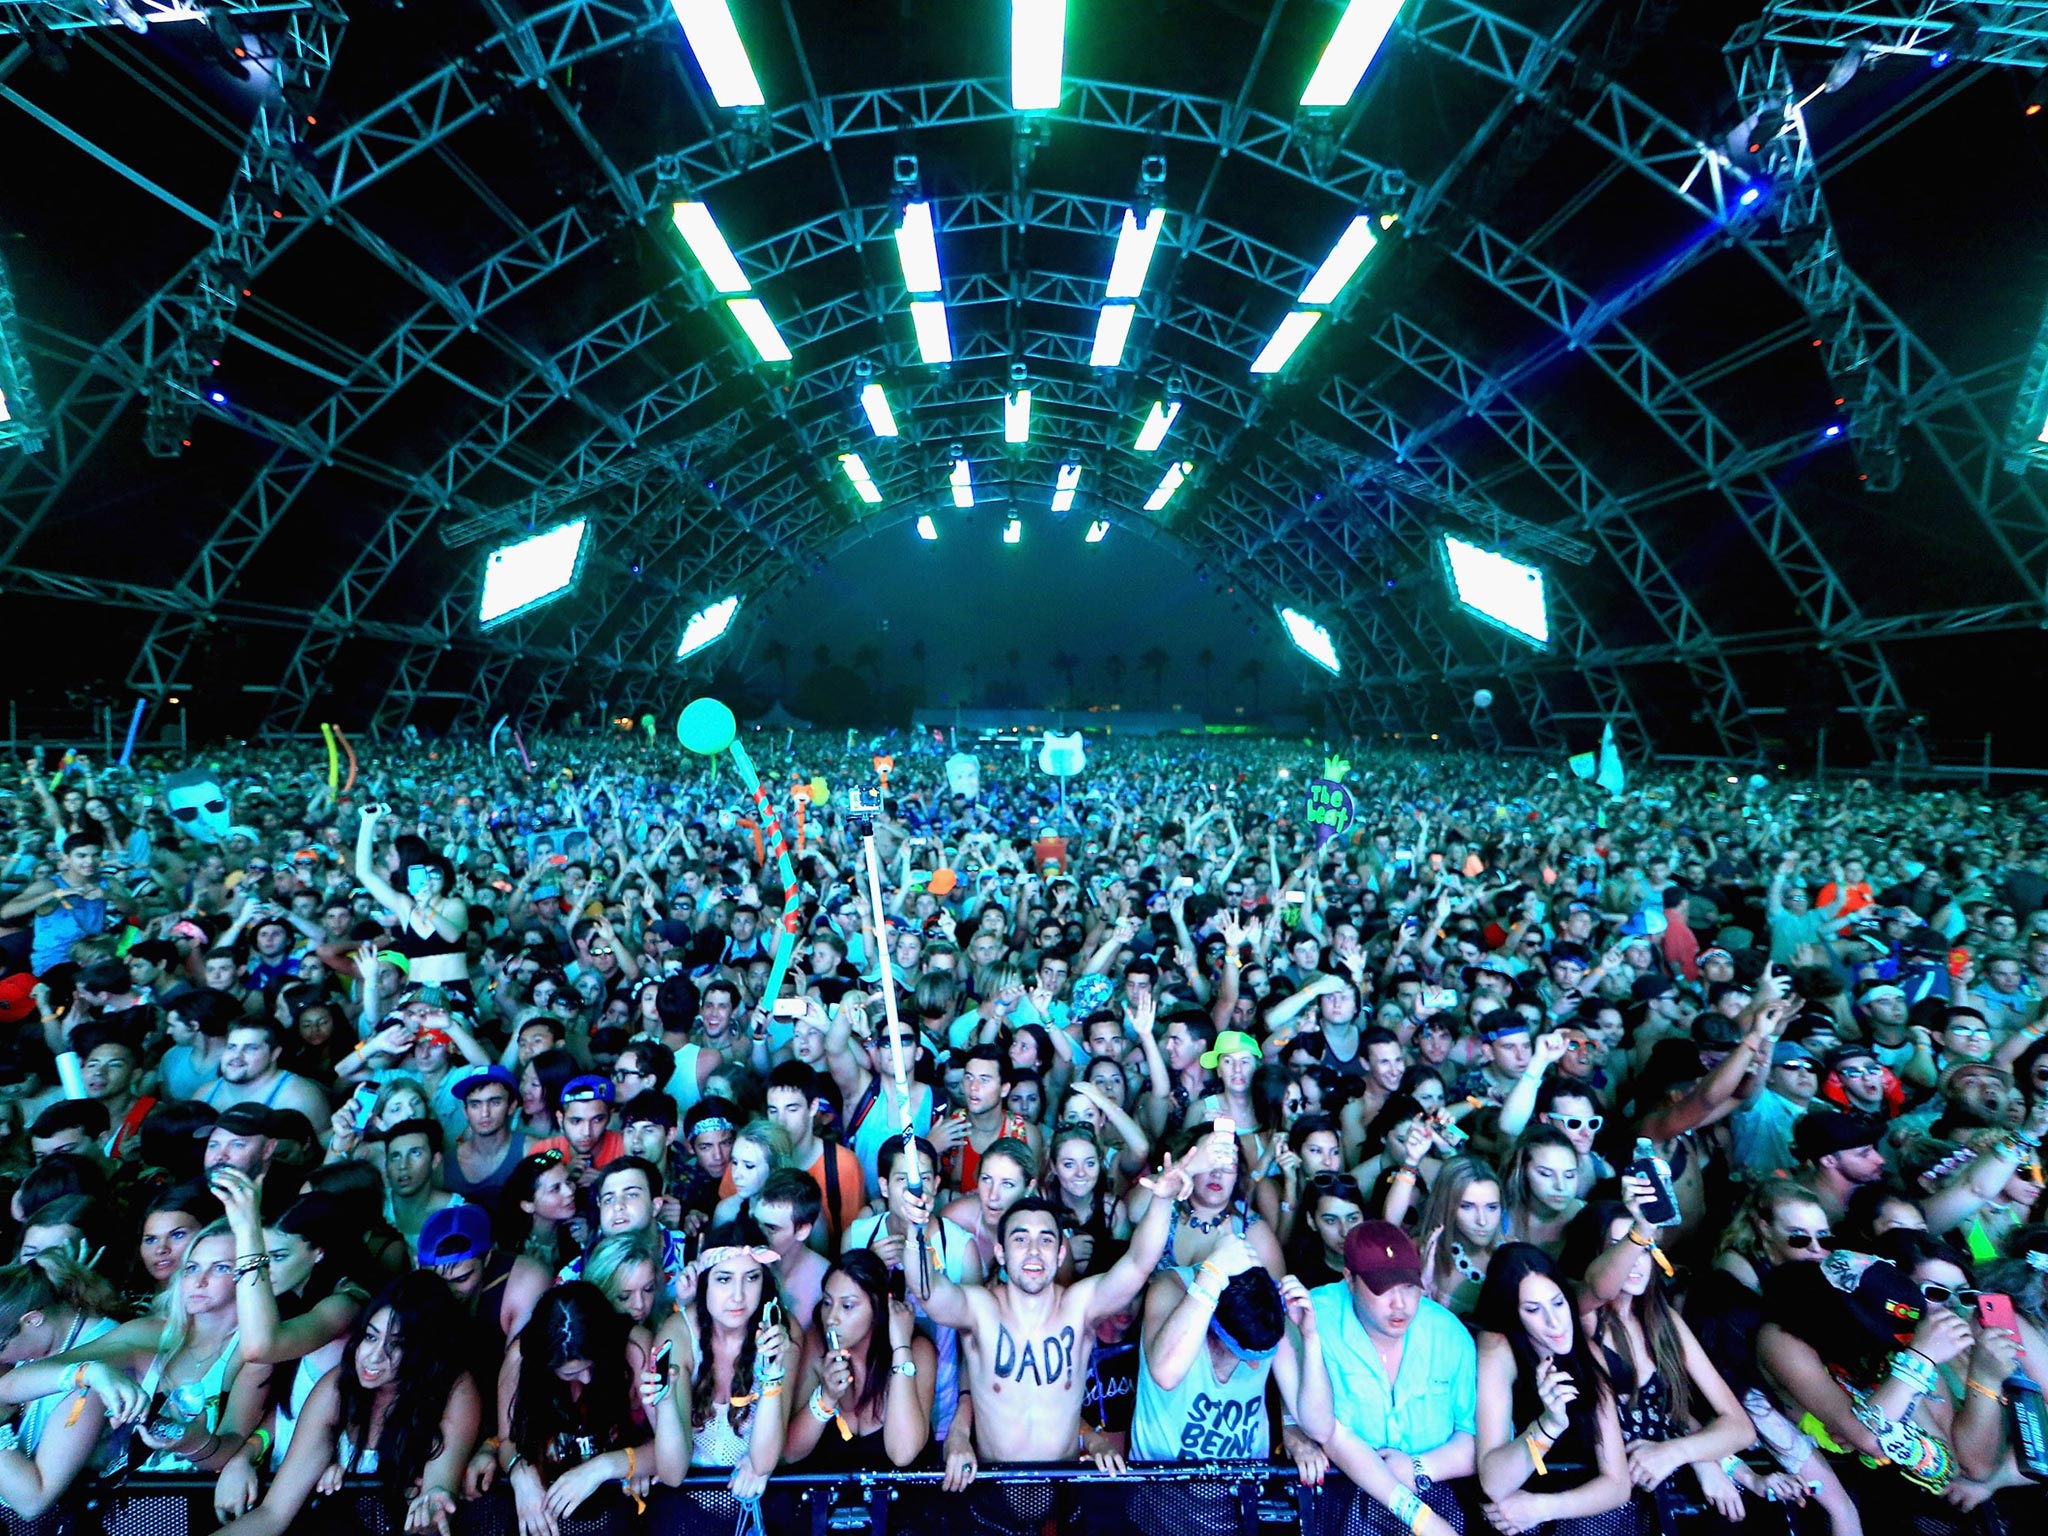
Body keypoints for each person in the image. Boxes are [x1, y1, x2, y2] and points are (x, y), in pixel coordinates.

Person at [905, 1125, 1226, 1532]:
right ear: (1001, 1252)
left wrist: (1162, 1199)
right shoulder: (981, 1308)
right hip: (989, 1493)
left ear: (1060, 1254)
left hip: (1066, 1494)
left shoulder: (1079, 1306)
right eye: (1020, 1240)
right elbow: (929, 1292)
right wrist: (916, 1231)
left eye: (1045, 1241)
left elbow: (1139, 1264)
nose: (1033, 1251)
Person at [207, 1273, 482, 1536]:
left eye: (397, 1345)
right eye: (371, 1337)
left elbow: (437, 1492)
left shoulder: (454, 1389)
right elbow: (273, 1514)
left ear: (426, 1349)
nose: (373, 1357)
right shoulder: (337, 1387)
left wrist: (432, 1510)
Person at [1131, 1233, 1331, 1472]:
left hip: (1242, 1485)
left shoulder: (1268, 1306)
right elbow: (1166, 1373)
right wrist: (1212, 1275)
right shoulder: (1171, 1288)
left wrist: (1310, 1336)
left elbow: (1319, 1426)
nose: (1255, 1368)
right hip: (1162, 1487)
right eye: (1241, 1355)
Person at [494, 1282, 685, 1528]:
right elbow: (507, 1440)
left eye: (591, 1366)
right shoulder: (520, 1359)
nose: (585, 1379)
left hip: (625, 1513)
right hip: (550, 1515)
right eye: (570, 1374)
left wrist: (602, 1468)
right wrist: (521, 1475)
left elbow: (670, 1454)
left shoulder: (635, 1348)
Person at [1474, 1242, 1633, 1536]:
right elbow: (1495, 1483)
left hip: (1578, 1512)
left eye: (1558, 1303)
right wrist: (1548, 1425)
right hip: (1514, 1519)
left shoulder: (1589, 1353)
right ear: (1513, 1314)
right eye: (1534, 1309)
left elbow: (1618, 1484)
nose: (1554, 1321)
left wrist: (1543, 1508)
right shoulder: (1497, 1350)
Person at [0, 1250, 129, 1517]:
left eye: (0, 1347)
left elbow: (33, 1501)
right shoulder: (41, 1345)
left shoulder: (100, 1362)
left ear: (33, 1320)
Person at [782, 1250, 936, 1469]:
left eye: (847, 1306)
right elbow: (789, 1453)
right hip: (834, 1496)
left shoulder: (917, 1349)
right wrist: (826, 1397)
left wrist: (901, 1348)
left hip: (903, 1498)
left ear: (878, 1308)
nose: (831, 1318)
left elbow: (902, 1453)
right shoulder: (817, 1343)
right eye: (827, 1302)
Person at [198, 1020, 329, 1127]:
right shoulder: (204, 1094)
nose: (236, 1056)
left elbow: (323, 1150)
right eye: (231, 1047)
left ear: (274, 1054)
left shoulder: (299, 1098)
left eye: (251, 1048)